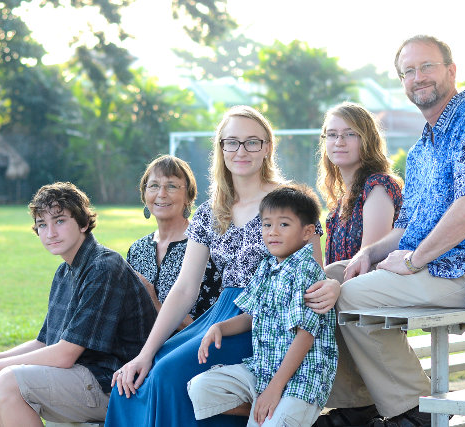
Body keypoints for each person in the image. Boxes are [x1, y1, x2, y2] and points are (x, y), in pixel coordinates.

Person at [332, 35, 465, 427]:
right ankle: (363, 406)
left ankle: (416, 412)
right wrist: (366, 254)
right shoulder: (422, 150)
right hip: (433, 265)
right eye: (408, 71)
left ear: (451, 71)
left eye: (427, 67)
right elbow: (407, 226)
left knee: (349, 295)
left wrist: (414, 258)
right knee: (326, 280)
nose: (418, 77)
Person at [105, 106, 338, 427]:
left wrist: (333, 285)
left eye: (252, 142)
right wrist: (144, 353)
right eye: (232, 142)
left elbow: (313, 275)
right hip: (221, 316)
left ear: (268, 147)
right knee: (132, 381)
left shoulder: (292, 201)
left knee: (167, 377)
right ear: (221, 148)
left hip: (268, 324)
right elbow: (185, 288)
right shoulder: (209, 212)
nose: (241, 151)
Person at [0, 182, 156, 426]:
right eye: (42, 225)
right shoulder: (65, 271)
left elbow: (65, 355)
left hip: (118, 385)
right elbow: (44, 341)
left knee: (6, 379)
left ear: (82, 223)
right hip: (86, 376)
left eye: (59, 221)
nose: (50, 233)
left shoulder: (103, 267)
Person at [188, 185, 337, 427]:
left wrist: (275, 388)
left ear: (308, 231)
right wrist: (220, 328)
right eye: (267, 225)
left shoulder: (307, 270)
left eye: (284, 225)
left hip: (302, 378)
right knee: (201, 388)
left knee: (273, 419)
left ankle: (287, 412)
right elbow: (251, 315)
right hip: (263, 369)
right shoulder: (266, 267)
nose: (272, 232)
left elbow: (305, 336)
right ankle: (273, 411)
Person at [315, 102, 404, 426]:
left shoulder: (376, 186)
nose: (339, 141)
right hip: (347, 299)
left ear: (366, 140)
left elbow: (369, 258)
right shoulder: (340, 197)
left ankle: (365, 405)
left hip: (372, 295)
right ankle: (357, 405)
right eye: (332, 134)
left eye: (349, 134)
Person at [127, 155, 222, 328]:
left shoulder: (205, 249)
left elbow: (206, 330)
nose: (161, 194)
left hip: (187, 350)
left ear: (188, 196)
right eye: (154, 186)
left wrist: (155, 302)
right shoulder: (136, 250)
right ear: (144, 194)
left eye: (171, 186)